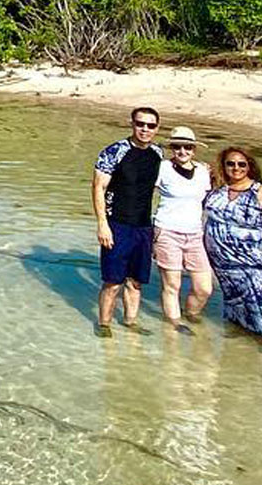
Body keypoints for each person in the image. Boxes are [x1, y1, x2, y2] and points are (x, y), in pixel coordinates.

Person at [202, 145, 262, 345]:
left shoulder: (261, 190)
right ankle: (239, 361)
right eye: (230, 163)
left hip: (254, 263)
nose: (236, 168)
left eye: (242, 164)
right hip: (223, 265)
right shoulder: (218, 188)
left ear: (250, 166)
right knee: (235, 310)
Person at [91, 106, 164, 337]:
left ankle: (131, 322)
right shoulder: (115, 151)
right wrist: (102, 224)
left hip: (143, 226)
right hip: (117, 224)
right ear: (132, 124)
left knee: (136, 281)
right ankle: (104, 325)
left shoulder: (157, 153)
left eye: (150, 125)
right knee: (113, 281)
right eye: (140, 124)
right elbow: (98, 187)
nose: (145, 129)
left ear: (157, 128)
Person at [151, 126, 213, 333]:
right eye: (177, 147)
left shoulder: (204, 172)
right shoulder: (162, 168)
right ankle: (174, 325)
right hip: (167, 231)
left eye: (187, 147)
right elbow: (142, 192)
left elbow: (208, 200)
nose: (183, 151)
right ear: (172, 149)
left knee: (204, 288)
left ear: (194, 149)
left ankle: (191, 313)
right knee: (172, 285)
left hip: (195, 234)